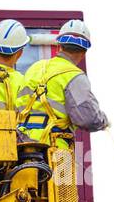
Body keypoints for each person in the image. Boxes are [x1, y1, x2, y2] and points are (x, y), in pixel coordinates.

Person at [16, 19, 108, 149]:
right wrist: (103, 121)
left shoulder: (35, 68)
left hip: (20, 144)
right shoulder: (75, 76)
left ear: (59, 46)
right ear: (83, 52)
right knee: (62, 170)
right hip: (53, 149)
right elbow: (87, 118)